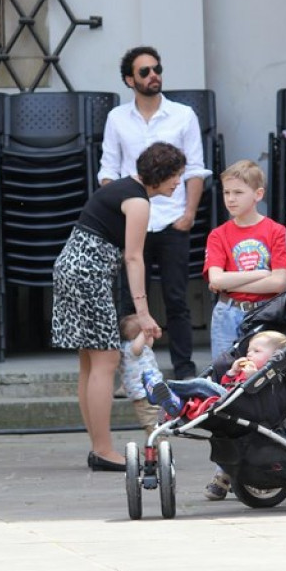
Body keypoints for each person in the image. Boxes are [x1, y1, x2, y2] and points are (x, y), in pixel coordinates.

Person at [52, 142, 186, 470]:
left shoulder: (125, 189)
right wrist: (143, 312)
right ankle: (102, 450)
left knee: (90, 362)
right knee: (106, 360)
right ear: (160, 173)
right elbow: (133, 256)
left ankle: (98, 446)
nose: (178, 183)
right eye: (176, 176)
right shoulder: (138, 201)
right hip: (89, 273)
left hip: (72, 268)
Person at [98, 45, 211, 380]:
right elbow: (108, 171)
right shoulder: (117, 118)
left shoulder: (183, 115)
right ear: (129, 80)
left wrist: (189, 213)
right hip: (132, 222)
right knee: (132, 300)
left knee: (177, 297)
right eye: (145, 72)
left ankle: (184, 370)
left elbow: (195, 168)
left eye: (157, 69)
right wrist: (118, 212)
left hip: (172, 219)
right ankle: (135, 372)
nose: (154, 76)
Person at [204, 159, 286, 360]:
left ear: (258, 194)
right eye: (226, 192)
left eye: (238, 192)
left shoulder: (277, 232)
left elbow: (279, 283)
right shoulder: (218, 235)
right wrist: (261, 274)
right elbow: (216, 280)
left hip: (266, 311)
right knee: (224, 374)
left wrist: (231, 282)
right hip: (227, 312)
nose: (230, 199)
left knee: (261, 373)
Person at [146, 330, 286, 419]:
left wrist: (252, 377)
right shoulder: (243, 369)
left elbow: (263, 399)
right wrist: (232, 372)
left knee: (201, 384)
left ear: (274, 357)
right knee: (197, 396)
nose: (250, 354)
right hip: (224, 398)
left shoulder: (269, 377)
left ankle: (163, 387)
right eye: (248, 351)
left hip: (238, 404)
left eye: (256, 351)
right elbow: (226, 384)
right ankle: (174, 402)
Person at [118, 314, 164, 437]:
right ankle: (159, 446)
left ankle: (154, 447)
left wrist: (150, 332)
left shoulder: (142, 347)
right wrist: (145, 331)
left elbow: (149, 343)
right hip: (143, 394)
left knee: (158, 422)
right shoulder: (131, 348)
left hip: (153, 391)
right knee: (152, 424)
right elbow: (137, 348)